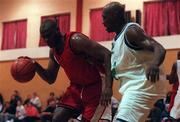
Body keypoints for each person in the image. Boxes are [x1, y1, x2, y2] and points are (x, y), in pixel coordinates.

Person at [33, 19, 112, 122]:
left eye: (49, 35)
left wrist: (108, 87)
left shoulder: (75, 40)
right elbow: (50, 78)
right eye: (44, 37)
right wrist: (35, 65)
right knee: (57, 118)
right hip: (76, 87)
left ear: (57, 30)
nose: (47, 40)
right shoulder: (53, 52)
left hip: (96, 85)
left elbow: (107, 54)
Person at [102, 2, 166, 122]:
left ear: (115, 15)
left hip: (141, 86)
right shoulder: (117, 39)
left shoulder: (131, 32)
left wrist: (154, 64)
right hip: (132, 88)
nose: (102, 22)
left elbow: (159, 48)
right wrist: (108, 87)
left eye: (105, 17)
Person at [166, 51, 180, 120]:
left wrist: (165, 76)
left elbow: (171, 80)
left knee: (172, 115)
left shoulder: (176, 64)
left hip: (176, 92)